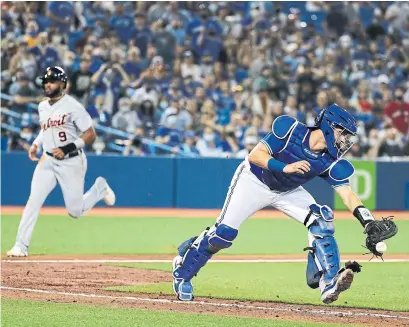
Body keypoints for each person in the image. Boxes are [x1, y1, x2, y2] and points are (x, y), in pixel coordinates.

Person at [172, 104, 398, 304]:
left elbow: (347, 194)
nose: (345, 140)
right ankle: (183, 269)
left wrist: (367, 223)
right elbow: (256, 155)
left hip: (287, 190)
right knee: (222, 236)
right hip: (254, 180)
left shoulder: (331, 160)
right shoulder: (290, 130)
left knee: (322, 220)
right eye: (343, 132)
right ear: (329, 126)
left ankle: (328, 283)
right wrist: (285, 167)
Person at [7, 66, 116, 257]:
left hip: (71, 162)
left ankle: (100, 188)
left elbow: (90, 134)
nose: (47, 84)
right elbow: (45, 129)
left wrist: (67, 148)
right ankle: (20, 246)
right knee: (33, 201)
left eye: (52, 81)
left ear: (63, 84)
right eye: (45, 81)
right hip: (47, 160)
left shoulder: (73, 106)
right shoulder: (42, 106)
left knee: (75, 211)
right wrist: (35, 144)